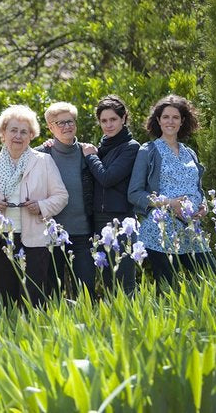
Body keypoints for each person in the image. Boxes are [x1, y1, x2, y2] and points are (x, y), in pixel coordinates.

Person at [0, 105, 68, 307]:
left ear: (31, 135)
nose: (18, 136)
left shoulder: (44, 161)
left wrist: (41, 206)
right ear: (3, 133)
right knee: (4, 301)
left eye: (24, 131)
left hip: (35, 240)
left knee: (33, 300)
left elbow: (61, 196)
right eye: (13, 130)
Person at [128, 94, 216, 287]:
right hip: (162, 231)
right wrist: (170, 203)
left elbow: (196, 189)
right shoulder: (148, 150)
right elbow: (134, 194)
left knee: (213, 279)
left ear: (182, 121)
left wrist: (203, 207)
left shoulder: (189, 152)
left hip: (192, 230)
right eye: (166, 117)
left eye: (175, 117)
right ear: (158, 120)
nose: (170, 121)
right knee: (171, 290)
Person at [82, 95, 140, 295]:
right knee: (108, 280)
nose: (108, 125)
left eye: (113, 119)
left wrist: (91, 156)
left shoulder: (131, 147)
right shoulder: (102, 147)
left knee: (124, 281)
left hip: (122, 219)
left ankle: (130, 323)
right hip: (98, 219)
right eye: (104, 121)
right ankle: (114, 323)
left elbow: (107, 178)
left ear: (123, 119)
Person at [36, 102, 94, 298]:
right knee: (53, 294)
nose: (66, 127)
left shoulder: (88, 153)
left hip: (83, 234)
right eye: (59, 123)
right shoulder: (41, 154)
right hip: (51, 235)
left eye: (69, 121)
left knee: (86, 293)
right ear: (50, 128)